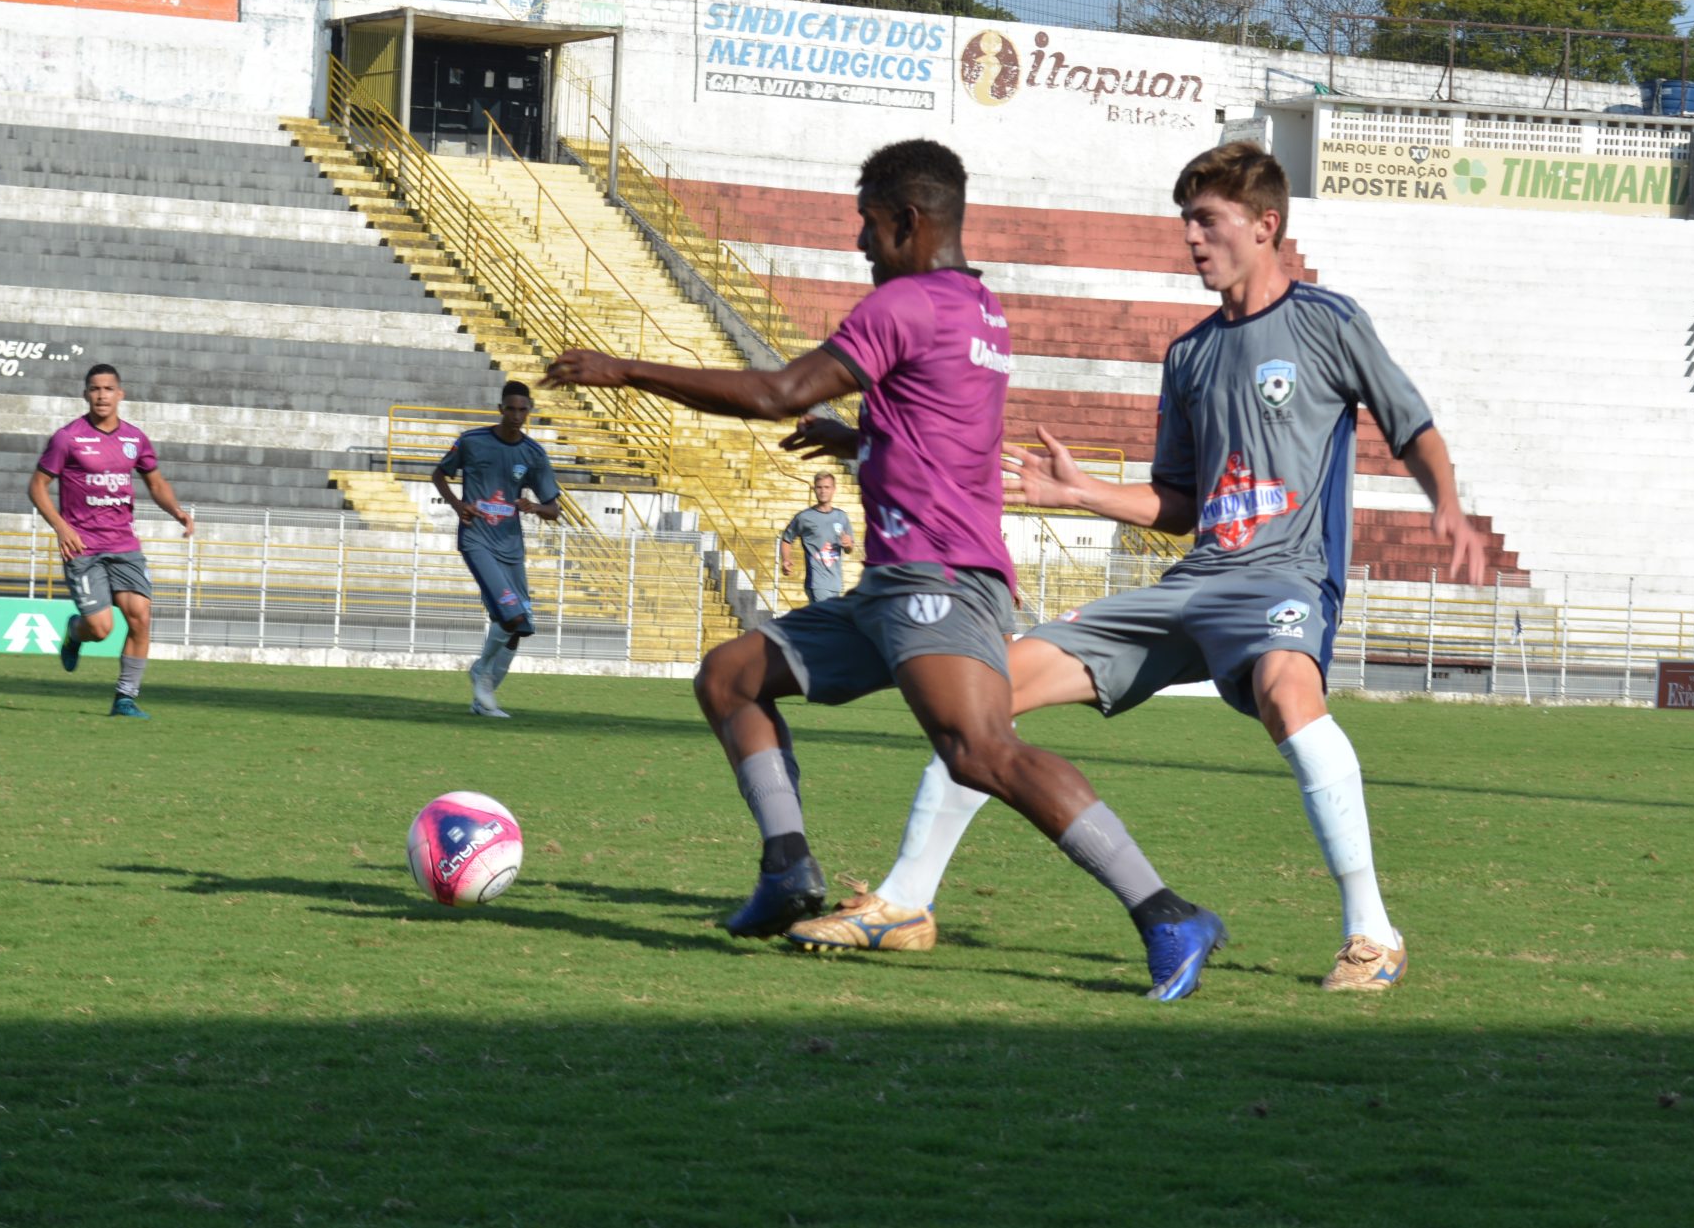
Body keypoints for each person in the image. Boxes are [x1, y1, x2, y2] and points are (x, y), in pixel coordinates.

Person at [785, 140, 1489, 993]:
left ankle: (1372, 932)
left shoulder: (1328, 321)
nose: (1191, 238)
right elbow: (1180, 503)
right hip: (1195, 582)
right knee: (987, 691)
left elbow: (1412, 424)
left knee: (1285, 693)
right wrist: (1082, 492)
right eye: (1186, 221)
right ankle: (904, 899)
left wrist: (1444, 500)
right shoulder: (1189, 354)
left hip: (1283, 579)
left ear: (1266, 225)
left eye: (1208, 220)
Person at [546, 138, 1225, 1000]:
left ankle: (1165, 911)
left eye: (867, 224)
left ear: (908, 221)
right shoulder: (979, 308)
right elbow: (946, 429)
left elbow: (780, 392)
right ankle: (789, 870)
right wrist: (864, 438)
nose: (859, 244)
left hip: (936, 581)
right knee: (729, 677)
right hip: (894, 586)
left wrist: (626, 370)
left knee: (982, 749)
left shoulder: (903, 304)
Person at [31, 363, 194, 718]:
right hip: (83, 547)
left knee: (141, 617)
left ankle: (125, 697)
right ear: (85, 394)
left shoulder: (135, 439)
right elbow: (37, 487)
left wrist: (176, 511)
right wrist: (60, 526)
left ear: (120, 394)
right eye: (94, 388)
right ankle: (75, 632)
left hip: (124, 546)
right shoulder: (67, 438)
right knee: (100, 628)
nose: (101, 395)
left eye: (108, 388)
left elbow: (155, 483)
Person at [432, 380, 563, 720]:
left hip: (511, 547)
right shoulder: (473, 441)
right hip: (477, 540)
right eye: (511, 408)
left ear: (529, 411)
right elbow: (439, 474)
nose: (517, 415)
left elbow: (555, 509)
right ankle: (480, 672)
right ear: (500, 408)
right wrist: (458, 504)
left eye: (524, 410)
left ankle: (483, 697)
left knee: (521, 627)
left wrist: (532, 506)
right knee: (512, 616)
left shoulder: (533, 454)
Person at [780, 472, 856, 603]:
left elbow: (849, 549)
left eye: (827, 487)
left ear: (833, 489)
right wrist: (786, 559)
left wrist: (848, 545)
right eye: (819, 487)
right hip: (816, 582)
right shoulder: (804, 517)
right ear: (814, 489)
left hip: (835, 583)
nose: (823, 491)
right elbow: (787, 539)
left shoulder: (841, 517)